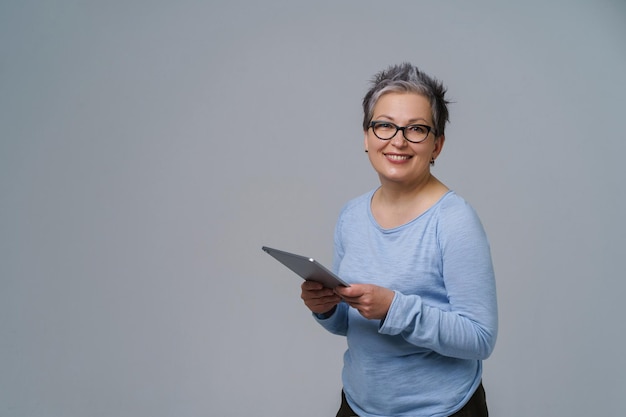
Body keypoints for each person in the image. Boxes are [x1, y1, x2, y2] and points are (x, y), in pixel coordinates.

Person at [300, 63, 498, 417]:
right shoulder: (351, 215)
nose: (398, 140)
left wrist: (395, 308)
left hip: (441, 411)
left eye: (416, 129)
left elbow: (480, 338)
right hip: (359, 406)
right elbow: (352, 323)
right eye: (384, 125)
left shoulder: (454, 220)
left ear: (437, 145)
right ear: (366, 136)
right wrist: (326, 308)